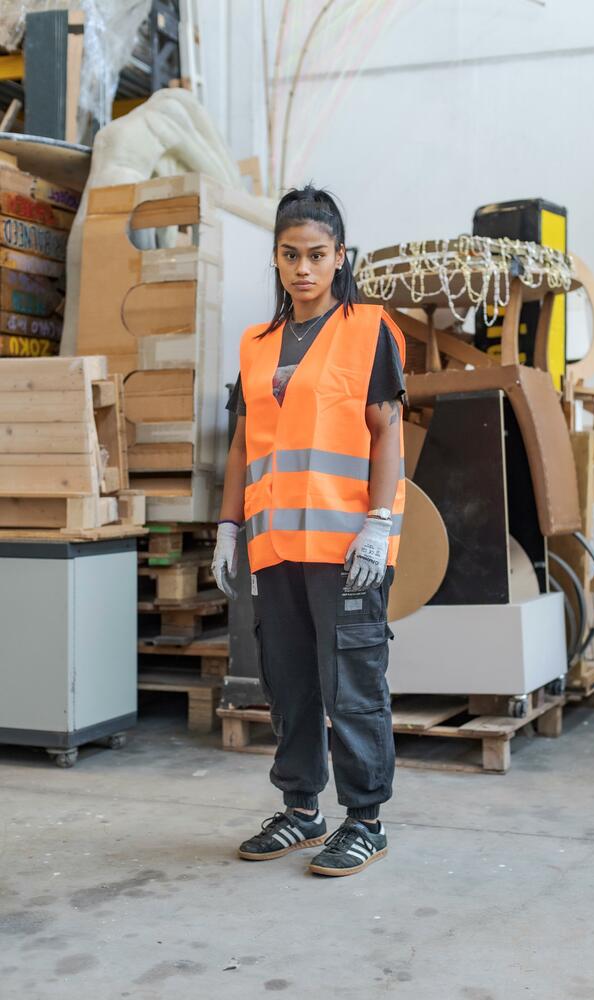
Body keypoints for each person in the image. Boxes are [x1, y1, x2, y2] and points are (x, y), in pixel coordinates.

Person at [212, 185, 405, 877]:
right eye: (291, 255)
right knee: (290, 683)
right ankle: (301, 809)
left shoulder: (368, 329)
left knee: (351, 682)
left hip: (346, 546)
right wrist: (228, 528)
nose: (303, 268)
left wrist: (378, 524)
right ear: (275, 257)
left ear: (339, 257)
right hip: (274, 547)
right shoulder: (256, 344)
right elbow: (242, 444)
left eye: (317, 255)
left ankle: (365, 820)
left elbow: (387, 431)